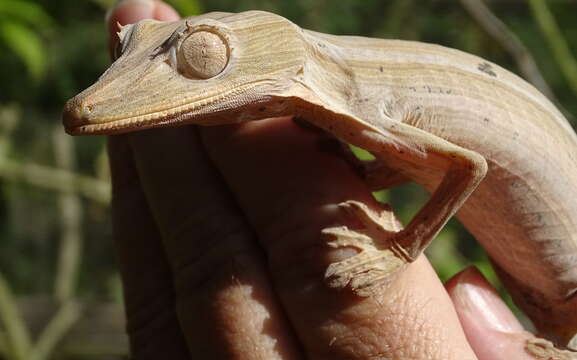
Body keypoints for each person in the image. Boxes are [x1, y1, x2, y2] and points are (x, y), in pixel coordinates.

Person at [105, 0, 543, 358]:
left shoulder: (364, 102)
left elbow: (469, 166)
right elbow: (426, 158)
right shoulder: (350, 113)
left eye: (203, 56)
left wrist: (400, 250)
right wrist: (369, 173)